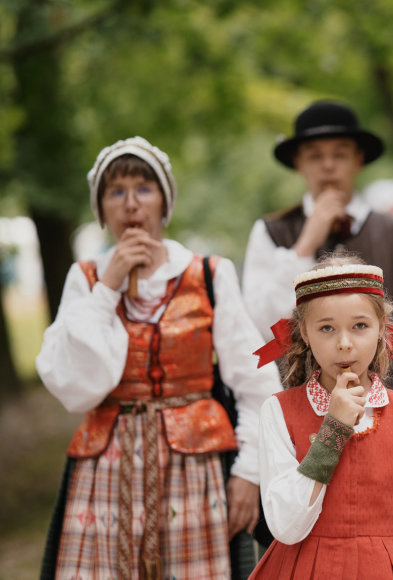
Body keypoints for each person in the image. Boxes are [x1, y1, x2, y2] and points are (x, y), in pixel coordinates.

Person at [36, 136, 281, 578]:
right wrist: (107, 287)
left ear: (165, 203)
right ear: (101, 209)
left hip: (195, 467)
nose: (131, 204)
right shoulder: (86, 279)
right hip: (104, 470)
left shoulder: (208, 274)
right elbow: (74, 386)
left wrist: (249, 472)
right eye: (116, 192)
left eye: (144, 189)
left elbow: (256, 380)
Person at [242, 100, 393, 446]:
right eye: (314, 155)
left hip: (382, 414)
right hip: (294, 417)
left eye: (339, 154)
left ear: (358, 160)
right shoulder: (271, 231)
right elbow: (256, 326)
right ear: (298, 163)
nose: (327, 165)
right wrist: (305, 244)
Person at [249, 255, 393, 579]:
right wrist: (333, 430)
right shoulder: (278, 412)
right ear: (304, 333)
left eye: (359, 326)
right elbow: (286, 526)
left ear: (381, 330)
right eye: (327, 328)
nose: (344, 344)